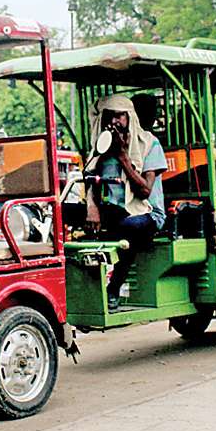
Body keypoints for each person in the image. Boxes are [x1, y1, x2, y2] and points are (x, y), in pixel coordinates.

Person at [64, 94, 167, 311]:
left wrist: (123, 157)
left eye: (120, 116)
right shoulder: (102, 147)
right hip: (113, 211)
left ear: (129, 117)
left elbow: (145, 191)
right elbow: (90, 179)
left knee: (127, 228)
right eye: (110, 116)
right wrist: (91, 208)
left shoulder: (149, 143)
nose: (114, 122)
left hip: (146, 213)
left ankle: (114, 288)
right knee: (60, 211)